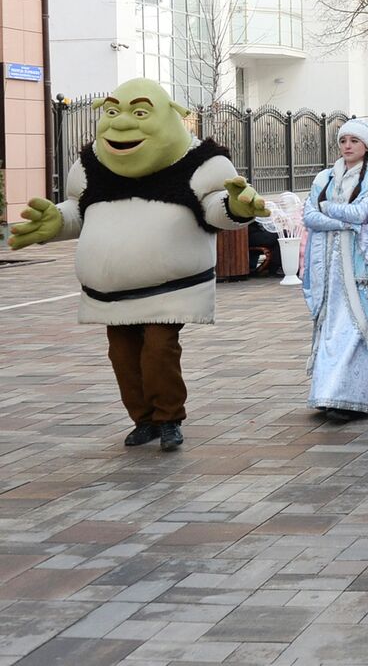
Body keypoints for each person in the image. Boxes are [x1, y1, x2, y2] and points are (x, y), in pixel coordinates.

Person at [6, 79, 268, 452]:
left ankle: (169, 417)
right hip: (109, 294)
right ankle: (143, 419)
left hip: (172, 288)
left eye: (140, 112)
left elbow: (214, 208)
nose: (122, 123)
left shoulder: (199, 164)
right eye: (112, 112)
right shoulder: (92, 166)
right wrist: (57, 222)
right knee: (122, 353)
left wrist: (237, 208)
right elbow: (80, 211)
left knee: (159, 347)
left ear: (169, 116)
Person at [302, 120, 368, 421]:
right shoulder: (324, 176)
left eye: (354, 141)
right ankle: (327, 393)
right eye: (343, 140)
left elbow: (362, 213)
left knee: (355, 330)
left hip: (359, 268)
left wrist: (328, 209)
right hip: (328, 270)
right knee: (331, 330)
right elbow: (308, 216)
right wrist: (343, 220)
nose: (347, 146)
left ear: (366, 146)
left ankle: (349, 398)